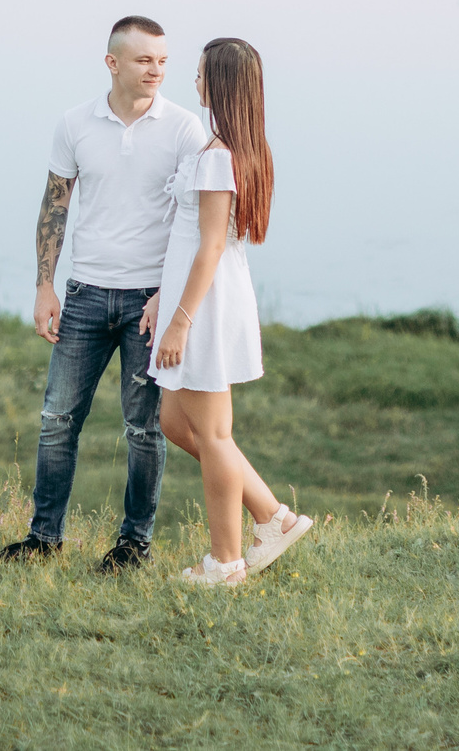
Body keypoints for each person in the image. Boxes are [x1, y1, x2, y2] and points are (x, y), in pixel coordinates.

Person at [0, 16, 209, 573]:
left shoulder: (186, 130)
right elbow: (54, 205)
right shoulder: (74, 124)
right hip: (86, 293)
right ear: (112, 63)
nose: (156, 71)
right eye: (144, 61)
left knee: (144, 429)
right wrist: (45, 284)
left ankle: (133, 546)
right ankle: (43, 538)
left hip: (148, 304)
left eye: (163, 61)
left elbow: (195, 221)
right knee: (57, 419)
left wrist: (168, 294)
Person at [153, 37, 313, 587]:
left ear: (218, 82)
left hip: (205, 307)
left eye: (199, 73)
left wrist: (180, 319)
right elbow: (188, 238)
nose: (193, 81)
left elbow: (211, 246)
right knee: (176, 422)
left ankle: (225, 562)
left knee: (214, 435)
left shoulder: (220, 157)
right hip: (193, 296)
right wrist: (160, 297)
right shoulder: (227, 148)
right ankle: (275, 516)